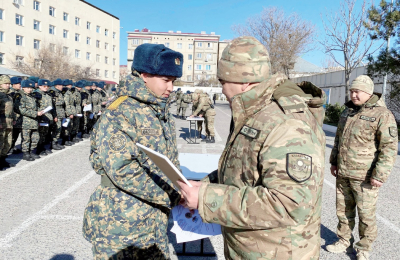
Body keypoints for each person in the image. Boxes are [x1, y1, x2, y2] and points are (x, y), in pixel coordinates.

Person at [178, 36, 326, 260]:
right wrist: (204, 185)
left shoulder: (286, 122)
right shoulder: (253, 112)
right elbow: (242, 169)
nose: (222, 90)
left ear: (244, 82)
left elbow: (289, 204)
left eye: (222, 81)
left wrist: (207, 198)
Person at [82, 43, 183, 259]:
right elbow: (122, 168)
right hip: (121, 222)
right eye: (166, 80)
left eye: (173, 81)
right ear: (145, 75)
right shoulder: (122, 111)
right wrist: (172, 195)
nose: (171, 88)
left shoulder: (158, 111)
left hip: (153, 218)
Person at [327, 75, 398, 260]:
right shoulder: (347, 112)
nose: (353, 94)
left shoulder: (382, 115)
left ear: (368, 93)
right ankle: (344, 240)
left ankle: (363, 247)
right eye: (352, 91)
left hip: (365, 176)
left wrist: (379, 175)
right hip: (343, 173)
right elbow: (338, 139)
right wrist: (334, 161)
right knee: (343, 211)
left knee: (366, 215)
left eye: (357, 91)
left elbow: (389, 148)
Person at [18, 80, 41, 161]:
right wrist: (35, 113)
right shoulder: (21, 97)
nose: (30, 89)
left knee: (35, 137)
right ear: (23, 88)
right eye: (28, 88)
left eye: (31, 88)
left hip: (34, 121)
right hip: (26, 121)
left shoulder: (33, 97)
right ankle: (26, 153)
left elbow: (36, 107)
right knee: (26, 138)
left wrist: (39, 113)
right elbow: (21, 110)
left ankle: (32, 151)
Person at [34, 79, 56, 156]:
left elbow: (52, 106)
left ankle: (42, 147)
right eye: (44, 86)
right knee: (39, 134)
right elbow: (34, 106)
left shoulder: (48, 95)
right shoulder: (36, 94)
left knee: (45, 133)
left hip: (48, 116)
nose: (46, 87)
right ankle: (38, 149)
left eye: (47, 86)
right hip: (40, 116)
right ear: (39, 86)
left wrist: (54, 116)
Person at [0, 75, 16, 169]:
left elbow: (11, 109)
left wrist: (13, 119)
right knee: (0, 142)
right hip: (2, 122)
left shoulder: (9, 95)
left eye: (9, 83)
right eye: (6, 83)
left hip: (9, 122)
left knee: (8, 142)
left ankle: (2, 160)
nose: (8, 85)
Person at [48, 79, 66, 149]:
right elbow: (53, 104)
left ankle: (56, 142)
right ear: (57, 86)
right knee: (56, 129)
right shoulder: (52, 93)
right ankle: (53, 143)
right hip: (56, 113)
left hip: (60, 113)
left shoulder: (59, 92)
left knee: (59, 128)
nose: (62, 87)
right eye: (61, 85)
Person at [9, 77, 23, 154]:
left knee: (16, 132)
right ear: (13, 84)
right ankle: (9, 147)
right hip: (13, 115)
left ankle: (13, 146)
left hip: (19, 116)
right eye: (18, 84)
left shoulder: (20, 92)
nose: (20, 85)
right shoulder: (10, 92)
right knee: (12, 133)